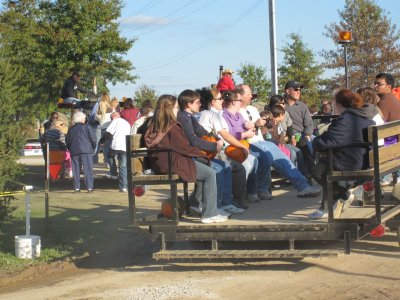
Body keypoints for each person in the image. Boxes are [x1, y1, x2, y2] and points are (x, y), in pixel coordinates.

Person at [144, 94, 227, 224]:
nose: (177, 111)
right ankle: (209, 214)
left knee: (206, 168)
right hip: (172, 162)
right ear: (169, 108)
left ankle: (196, 204)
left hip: (161, 162)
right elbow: (185, 147)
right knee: (210, 173)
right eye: (176, 107)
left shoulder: (152, 123)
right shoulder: (172, 126)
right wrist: (204, 156)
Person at [234, 84, 321, 199]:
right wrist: (256, 125)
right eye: (249, 94)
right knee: (267, 156)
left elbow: (264, 130)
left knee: (282, 158)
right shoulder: (235, 111)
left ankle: (303, 186)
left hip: (262, 141)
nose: (252, 96)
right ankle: (262, 189)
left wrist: (269, 124)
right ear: (239, 95)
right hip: (248, 143)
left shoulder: (253, 109)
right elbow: (235, 132)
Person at [308, 89, 375, 219]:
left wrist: (315, 141)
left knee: (317, 170)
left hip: (350, 161)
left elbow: (328, 141)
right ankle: (333, 201)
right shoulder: (364, 115)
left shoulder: (346, 119)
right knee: (325, 165)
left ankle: (341, 196)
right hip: (364, 159)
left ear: (339, 105)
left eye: (334, 105)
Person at [177, 89, 243, 216]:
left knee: (225, 166)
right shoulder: (183, 117)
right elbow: (193, 140)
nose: (200, 104)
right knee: (217, 169)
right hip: (187, 157)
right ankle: (216, 207)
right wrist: (213, 146)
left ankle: (223, 203)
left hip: (194, 154)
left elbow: (202, 131)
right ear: (188, 104)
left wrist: (217, 139)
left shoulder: (189, 117)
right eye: (197, 102)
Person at [197, 87, 256, 210]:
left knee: (231, 166)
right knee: (232, 167)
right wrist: (242, 147)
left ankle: (208, 203)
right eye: (220, 98)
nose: (223, 101)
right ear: (212, 102)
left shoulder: (199, 115)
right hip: (210, 152)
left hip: (205, 152)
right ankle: (229, 202)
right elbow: (225, 135)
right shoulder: (211, 114)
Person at [283, 80, 315, 181]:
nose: (299, 92)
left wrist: (307, 134)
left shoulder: (302, 106)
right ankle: (305, 175)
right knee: (303, 148)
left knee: (314, 142)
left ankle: (312, 173)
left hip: (302, 134)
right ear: (288, 91)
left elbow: (309, 124)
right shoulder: (280, 105)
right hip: (286, 135)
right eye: (296, 89)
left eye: (300, 90)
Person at [65, 111, 97, 192]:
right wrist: (93, 148)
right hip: (86, 150)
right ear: (82, 119)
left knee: (75, 169)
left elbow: (67, 141)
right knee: (88, 169)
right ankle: (89, 187)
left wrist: (69, 148)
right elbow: (93, 139)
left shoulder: (71, 129)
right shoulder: (88, 127)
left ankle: (76, 188)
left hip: (74, 150)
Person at [102, 112, 131, 192]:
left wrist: (102, 140)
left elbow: (108, 133)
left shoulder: (115, 121)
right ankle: (124, 186)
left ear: (114, 117)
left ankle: (114, 172)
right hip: (125, 146)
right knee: (123, 167)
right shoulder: (126, 123)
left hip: (116, 145)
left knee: (109, 156)